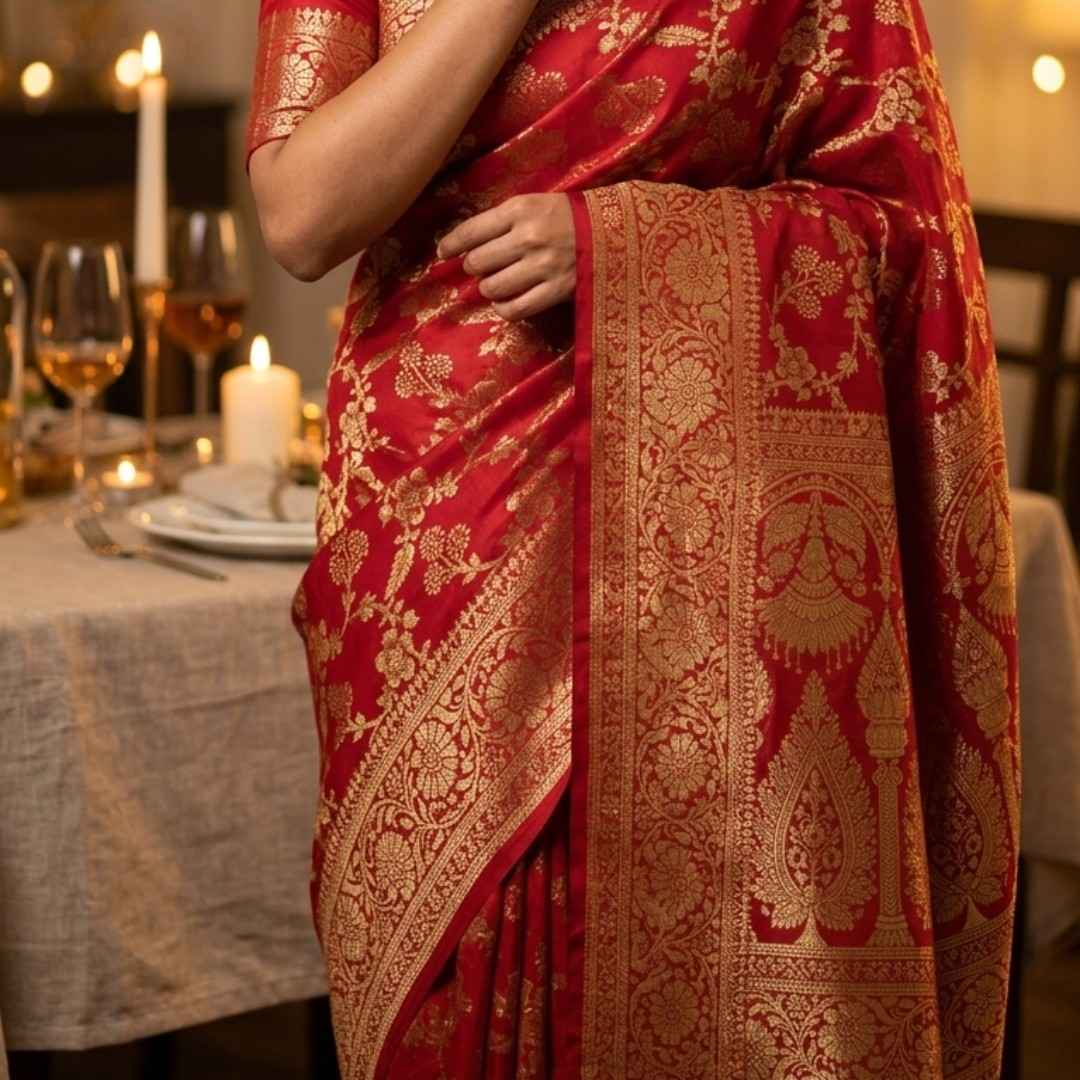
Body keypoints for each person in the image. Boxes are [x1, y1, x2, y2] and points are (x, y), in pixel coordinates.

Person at [247, 2, 1020, 1077]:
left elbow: (903, 235)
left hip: (704, 543)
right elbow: (302, 217)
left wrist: (627, 244)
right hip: (431, 522)